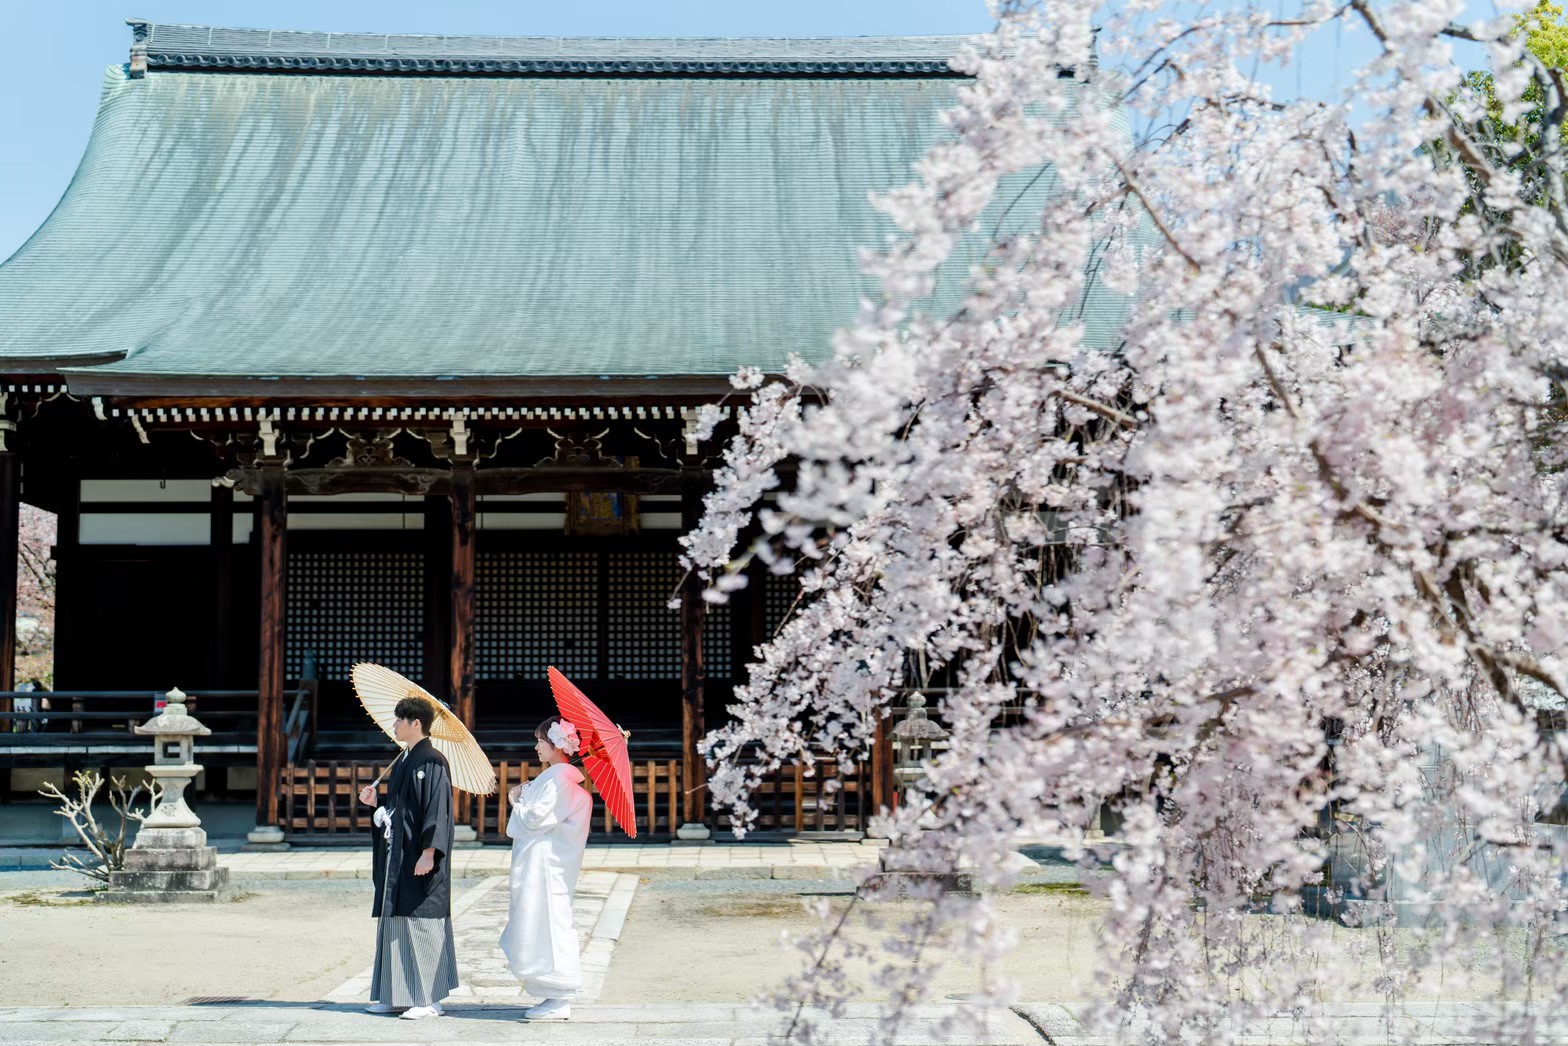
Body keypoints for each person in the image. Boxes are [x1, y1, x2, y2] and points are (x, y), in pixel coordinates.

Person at [356, 696, 458, 1020]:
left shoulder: (433, 761)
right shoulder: (403, 760)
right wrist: (376, 806)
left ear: (416, 723)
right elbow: (400, 808)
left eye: (399, 719)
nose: (395, 725)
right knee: (396, 921)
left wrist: (430, 851)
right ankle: (396, 993)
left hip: (419, 855)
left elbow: (436, 810)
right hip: (398, 856)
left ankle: (428, 998)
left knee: (422, 921)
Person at [499, 715, 593, 1021]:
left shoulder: (561, 780)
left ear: (557, 745)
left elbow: (534, 820)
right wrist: (528, 795)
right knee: (539, 922)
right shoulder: (557, 779)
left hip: (548, 868)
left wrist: (518, 801)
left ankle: (560, 994)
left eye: (541, 741)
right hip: (542, 865)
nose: (537, 747)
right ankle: (552, 993)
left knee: (550, 924)